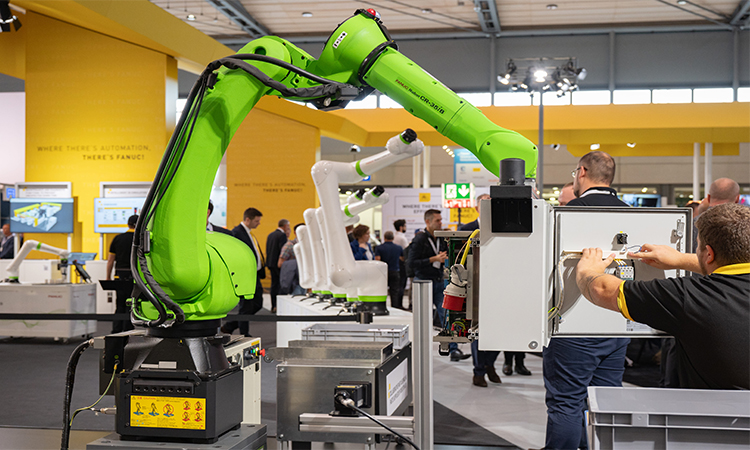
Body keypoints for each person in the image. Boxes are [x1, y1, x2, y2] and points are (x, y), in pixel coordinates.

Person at [575, 202, 749, 389]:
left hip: (713, 407)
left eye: (698, 247)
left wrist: (587, 270)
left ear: (709, 253)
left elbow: (602, 289)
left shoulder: (688, 296)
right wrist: (681, 259)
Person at [544, 151, 630, 450]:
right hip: (618, 325)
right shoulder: (631, 213)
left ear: (581, 172)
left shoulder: (566, 214)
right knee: (606, 404)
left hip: (571, 328)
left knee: (566, 403)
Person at [407, 209, 470, 361]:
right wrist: (433, 259)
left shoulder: (441, 239)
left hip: (439, 281)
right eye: (438, 220)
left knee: (447, 315)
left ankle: (453, 350)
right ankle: (419, 352)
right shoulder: (420, 239)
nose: (441, 223)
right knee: (422, 317)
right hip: (423, 282)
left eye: (441, 220)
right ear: (428, 222)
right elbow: (411, 262)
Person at [459, 194, 503, 386]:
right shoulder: (466, 229)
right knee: (476, 331)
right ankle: (479, 371)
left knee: (499, 329)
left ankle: (489, 364)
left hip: (498, 286)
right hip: (474, 287)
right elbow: (460, 258)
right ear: (477, 208)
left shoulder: (501, 229)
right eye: (484, 203)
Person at [222, 207, 265, 337]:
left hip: (254, 275)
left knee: (257, 304)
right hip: (245, 275)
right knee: (246, 306)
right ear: (247, 219)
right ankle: (244, 333)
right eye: (257, 221)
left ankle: (230, 326)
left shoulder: (249, 233)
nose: (259, 223)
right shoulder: (236, 233)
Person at [106, 214, 138, 333]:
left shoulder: (118, 238)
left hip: (119, 275)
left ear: (128, 224)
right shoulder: (139, 239)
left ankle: (116, 330)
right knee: (131, 304)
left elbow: (110, 261)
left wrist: (108, 277)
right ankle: (128, 329)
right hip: (134, 276)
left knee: (119, 304)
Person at [374, 231, 405, 309]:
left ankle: (381, 307)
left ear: (384, 238)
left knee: (382, 290)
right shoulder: (398, 248)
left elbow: (377, 260)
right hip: (395, 271)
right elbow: (402, 258)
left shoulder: (379, 248)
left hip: (383, 272)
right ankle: (395, 307)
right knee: (394, 291)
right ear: (393, 238)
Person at [266, 219, 290, 313]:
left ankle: (273, 305)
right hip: (279, 264)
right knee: (280, 285)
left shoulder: (270, 235)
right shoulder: (282, 235)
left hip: (270, 263)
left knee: (274, 285)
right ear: (285, 226)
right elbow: (283, 251)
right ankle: (279, 305)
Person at [278, 223, 306, 296]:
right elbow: (280, 263)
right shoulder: (289, 245)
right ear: (295, 233)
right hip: (295, 282)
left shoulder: (309, 245)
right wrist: (295, 263)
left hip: (306, 280)